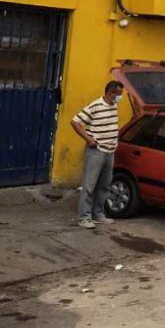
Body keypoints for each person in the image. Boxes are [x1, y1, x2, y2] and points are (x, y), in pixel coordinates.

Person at [71, 81, 124, 229]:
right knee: (89, 185)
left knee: (104, 185)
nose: (120, 98)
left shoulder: (114, 106)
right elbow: (75, 122)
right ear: (110, 93)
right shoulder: (95, 106)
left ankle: (98, 214)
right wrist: (88, 139)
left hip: (110, 151)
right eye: (118, 95)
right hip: (96, 151)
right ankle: (84, 218)